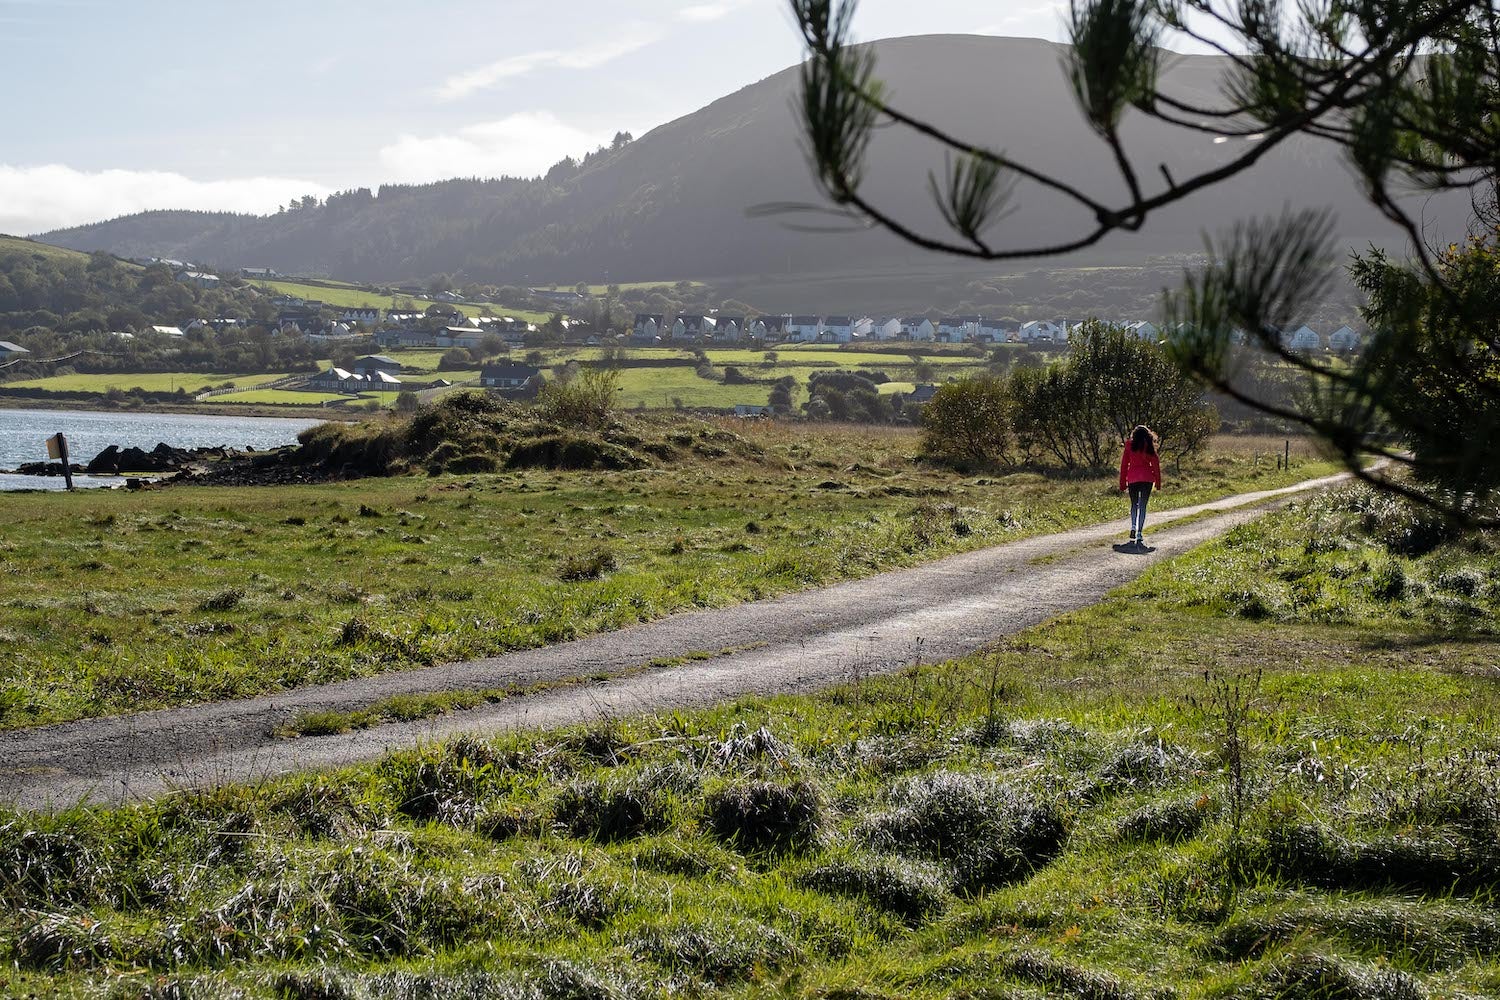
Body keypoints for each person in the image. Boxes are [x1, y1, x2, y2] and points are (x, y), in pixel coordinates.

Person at [1119, 425, 1162, 547]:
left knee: (1134, 504)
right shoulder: (1149, 446)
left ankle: (1133, 525)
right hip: (1147, 479)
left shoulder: (1129, 446)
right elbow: (1155, 465)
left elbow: (1124, 465)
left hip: (1132, 478)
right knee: (1143, 505)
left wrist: (1122, 483)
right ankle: (1139, 533)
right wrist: (1158, 483)